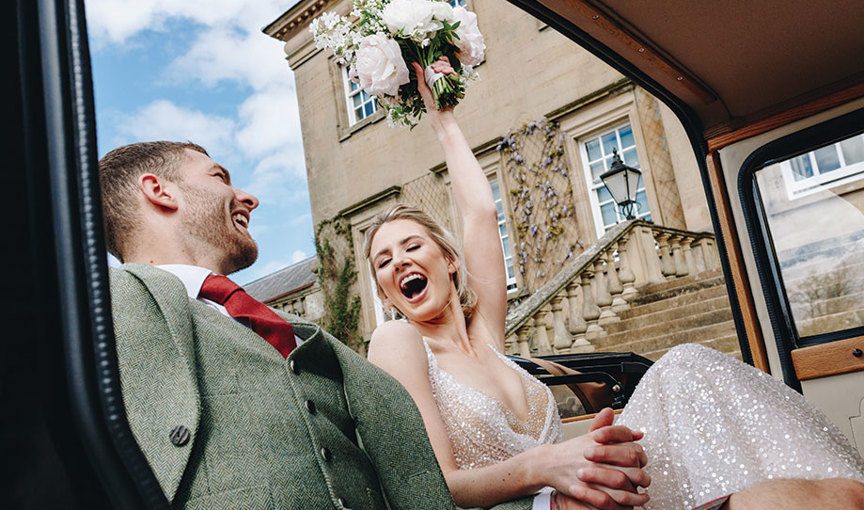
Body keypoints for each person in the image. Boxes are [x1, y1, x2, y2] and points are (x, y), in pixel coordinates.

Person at [364, 58, 864, 510]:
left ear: (450, 261)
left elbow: (481, 211)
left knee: (838, 494)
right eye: (383, 262)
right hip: (540, 503)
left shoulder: (487, 337)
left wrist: (443, 119)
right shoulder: (398, 341)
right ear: (385, 291)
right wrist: (546, 464)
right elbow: (436, 484)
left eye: (411, 246)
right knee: (686, 371)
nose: (399, 262)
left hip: (589, 487)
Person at [99, 139, 633, 510]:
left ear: (448, 260)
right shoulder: (105, 319)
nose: (249, 197)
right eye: (220, 177)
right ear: (159, 191)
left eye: (413, 246)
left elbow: (414, 488)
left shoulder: (295, 333)